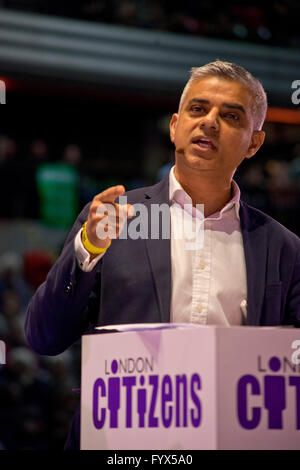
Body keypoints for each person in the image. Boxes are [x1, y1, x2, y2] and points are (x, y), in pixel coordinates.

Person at [25, 60, 300, 449]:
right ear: (175, 127)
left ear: (254, 143)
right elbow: (43, 336)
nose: (209, 122)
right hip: (119, 447)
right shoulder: (113, 219)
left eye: (231, 116)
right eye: (198, 109)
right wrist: (86, 252)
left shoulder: (284, 249)